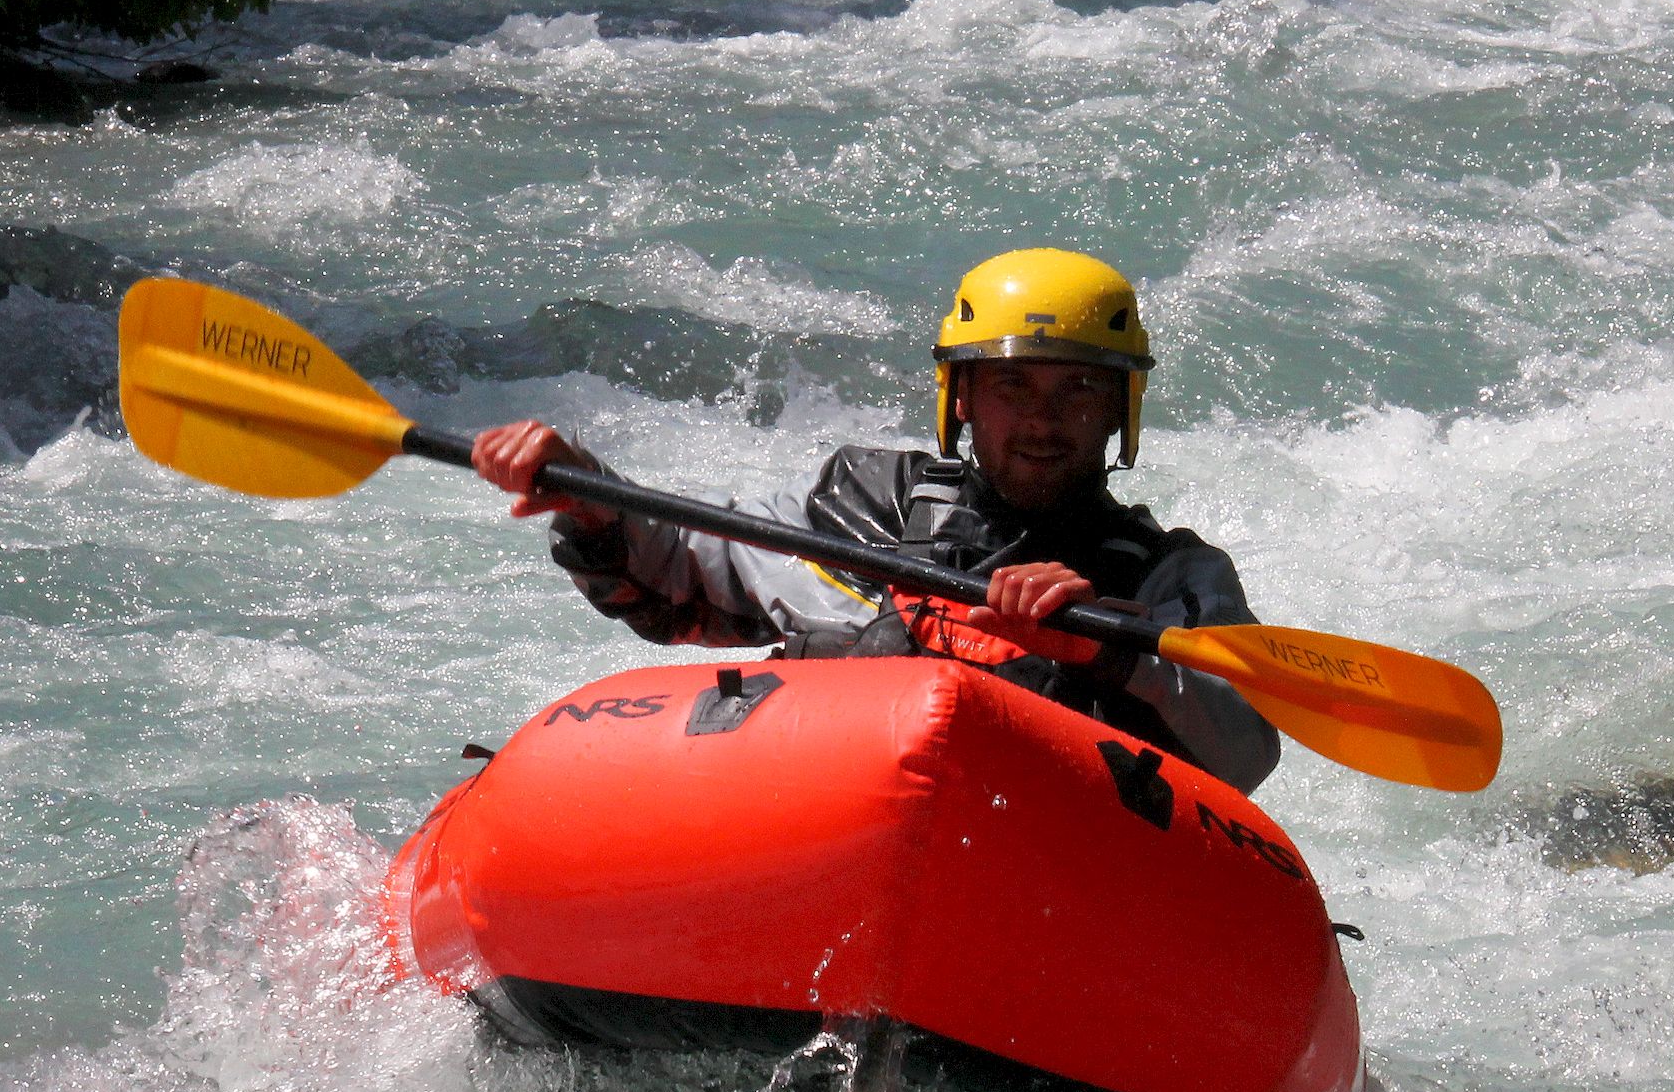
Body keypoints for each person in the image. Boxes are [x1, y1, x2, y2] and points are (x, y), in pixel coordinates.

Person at [469, 247, 1281, 791]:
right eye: (1014, 387)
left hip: (1047, 874)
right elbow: (682, 564)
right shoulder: (857, 508)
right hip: (820, 819)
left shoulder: (1173, 578)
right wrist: (589, 496)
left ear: (1118, 411)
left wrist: (1113, 660)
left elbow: (1246, 748)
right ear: (962, 398)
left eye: (1078, 390)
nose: (1044, 420)